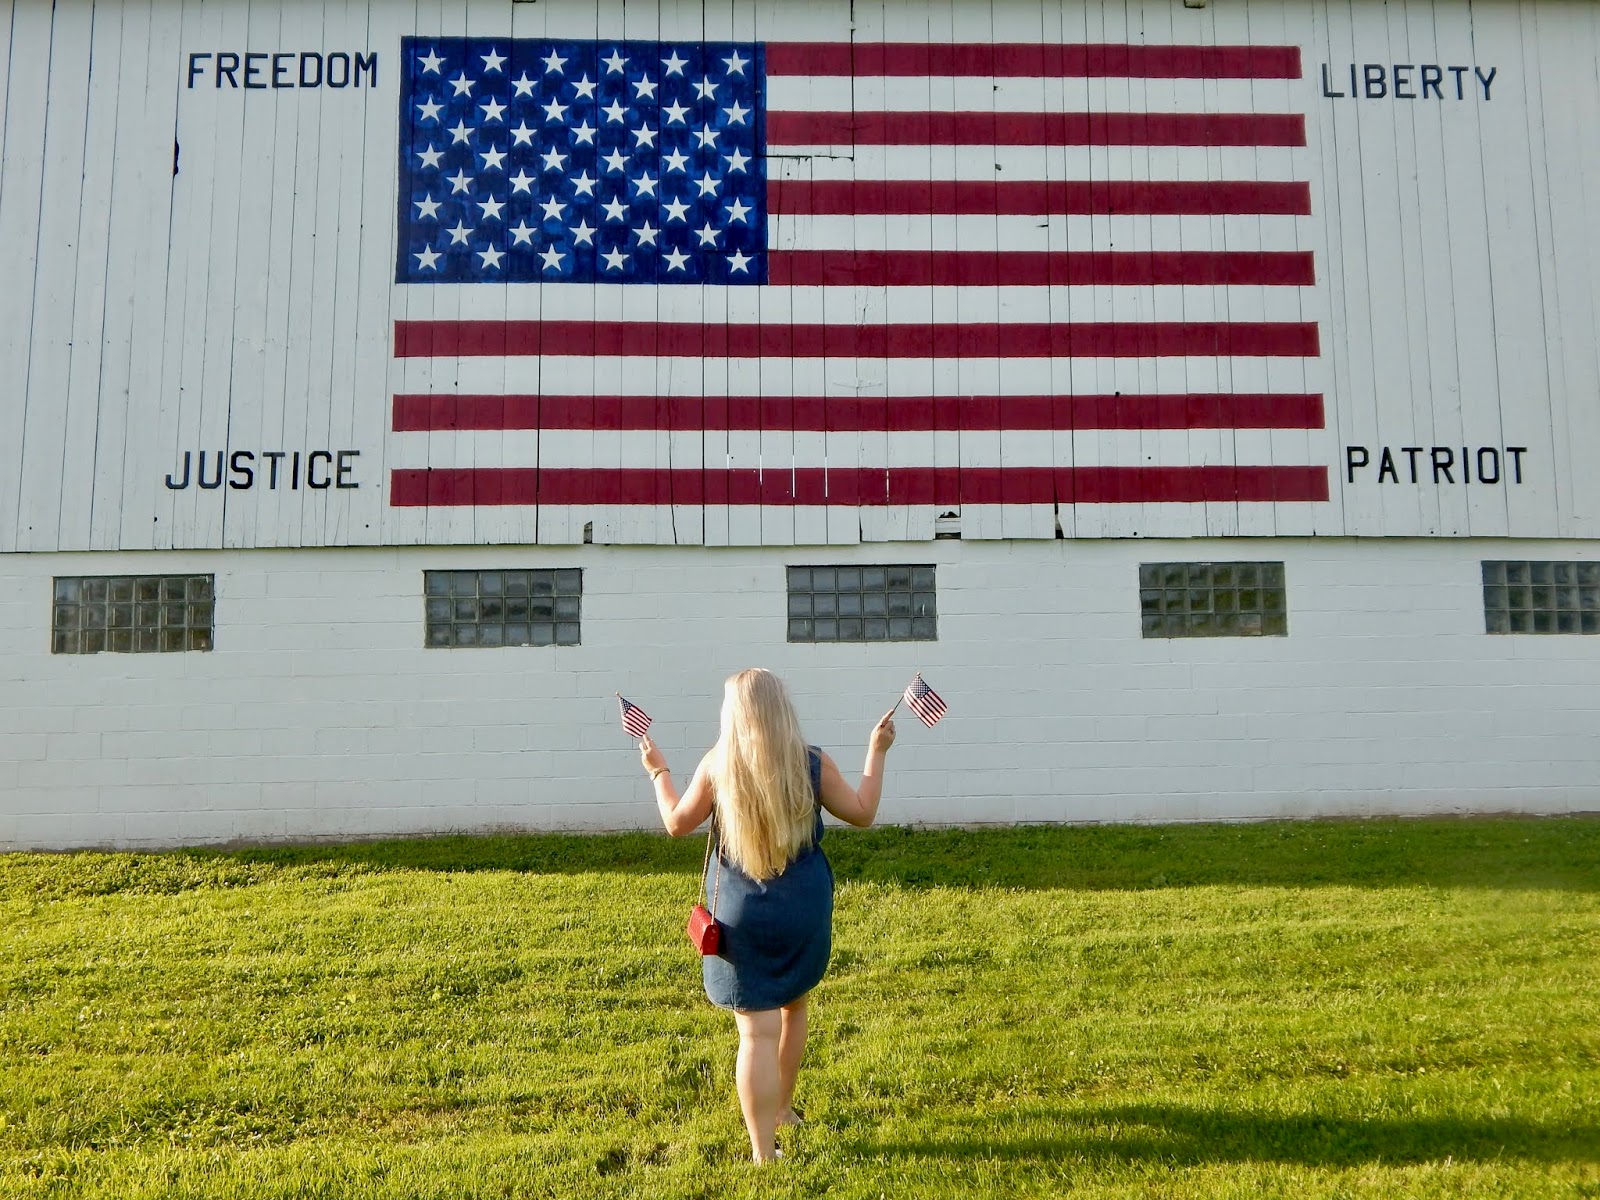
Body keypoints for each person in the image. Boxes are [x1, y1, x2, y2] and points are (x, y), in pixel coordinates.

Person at [640, 668, 897, 1163]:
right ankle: (781, 1107)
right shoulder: (811, 763)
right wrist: (877, 750)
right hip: (803, 909)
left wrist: (658, 770)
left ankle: (763, 1152)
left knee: (756, 1033)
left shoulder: (718, 766)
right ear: (782, 710)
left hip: (743, 918)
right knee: (794, 1006)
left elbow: (676, 823)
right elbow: (863, 812)